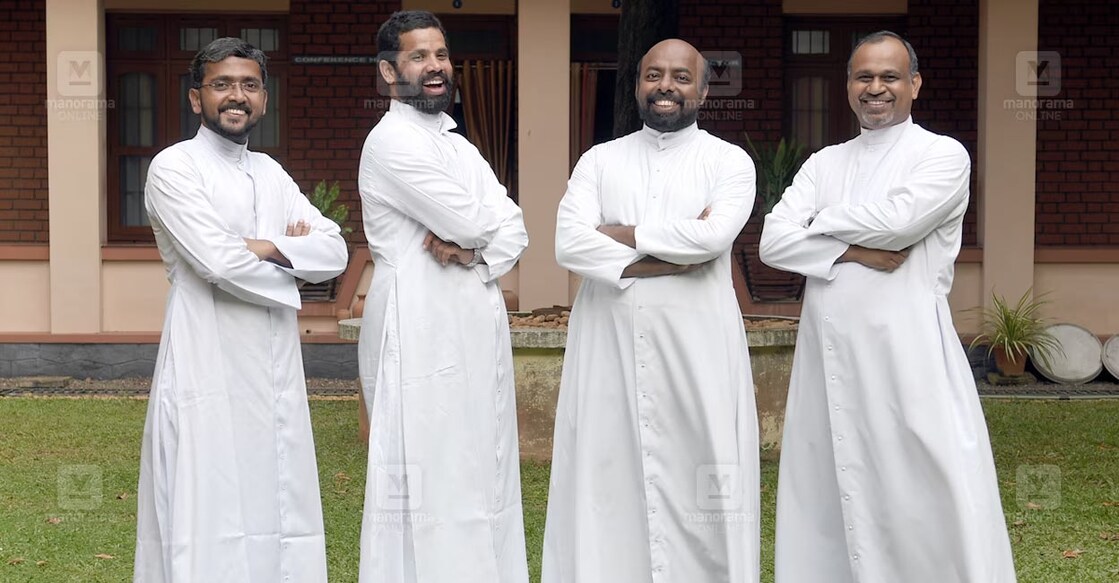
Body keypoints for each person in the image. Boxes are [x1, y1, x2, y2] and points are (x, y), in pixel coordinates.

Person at [759, 31, 1016, 582]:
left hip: (908, 348)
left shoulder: (942, 155)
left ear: (914, 85)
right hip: (827, 357)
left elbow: (900, 223)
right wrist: (853, 250)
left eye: (890, 77)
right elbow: (772, 243)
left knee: (923, 481)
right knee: (829, 483)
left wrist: (818, 222)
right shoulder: (825, 162)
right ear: (848, 85)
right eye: (864, 77)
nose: (875, 88)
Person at [544, 39, 760, 583]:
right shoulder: (599, 160)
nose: (666, 86)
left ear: (703, 91)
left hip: (697, 348)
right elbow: (569, 243)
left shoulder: (729, 162)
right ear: (637, 85)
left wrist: (619, 235)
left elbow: (712, 238)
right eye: (653, 75)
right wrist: (663, 259)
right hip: (609, 345)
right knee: (606, 471)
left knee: (702, 471)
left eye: (681, 77)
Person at [133, 37, 348, 583]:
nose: (237, 96)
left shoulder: (271, 173)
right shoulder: (173, 168)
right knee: (209, 497)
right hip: (207, 354)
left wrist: (266, 245)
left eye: (250, 85)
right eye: (222, 84)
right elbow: (218, 262)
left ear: (264, 100)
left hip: (275, 362)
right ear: (195, 98)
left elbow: (335, 251)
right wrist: (291, 255)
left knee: (278, 496)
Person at [355, 10, 529, 583]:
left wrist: (474, 253)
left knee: (482, 463)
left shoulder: (457, 144)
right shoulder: (390, 142)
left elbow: (513, 229)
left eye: (441, 55)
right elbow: (474, 219)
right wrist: (480, 232)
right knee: (427, 469)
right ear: (389, 70)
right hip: (417, 324)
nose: (435, 67)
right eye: (419, 57)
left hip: (474, 318)